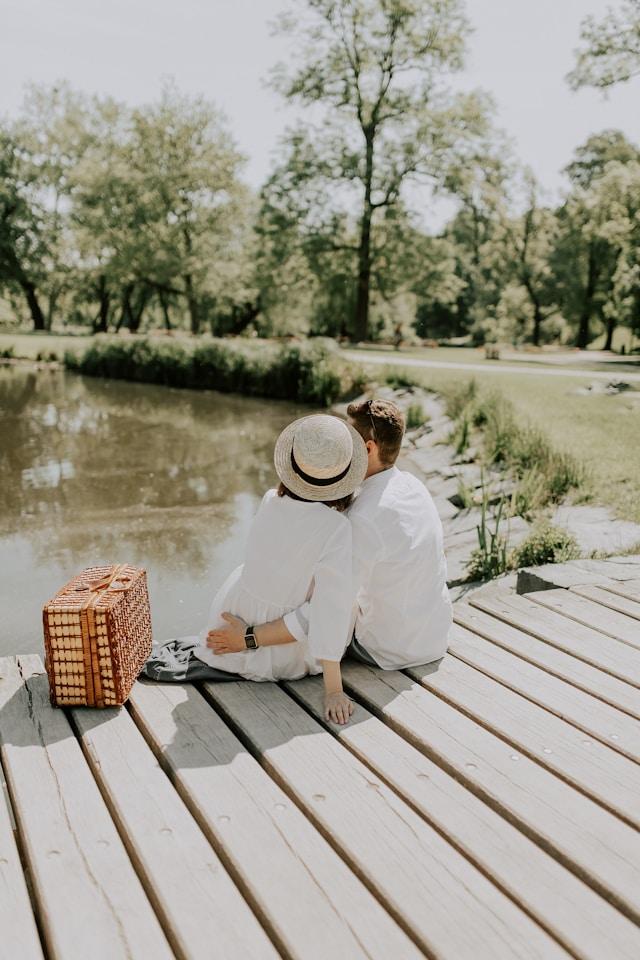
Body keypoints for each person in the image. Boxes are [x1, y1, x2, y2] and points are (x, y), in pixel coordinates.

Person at [139, 413, 368, 724]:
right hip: (282, 658)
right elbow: (330, 610)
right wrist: (334, 689)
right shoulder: (336, 528)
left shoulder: (270, 499)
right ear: (344, 475)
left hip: (235, 621)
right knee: (347, 599)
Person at [209, 398, 452, 673]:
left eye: (346, 440)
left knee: (313, 589)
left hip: (388, 649)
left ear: (367, 449)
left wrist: (248, 638)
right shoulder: (413, 486)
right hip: (433, 637)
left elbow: (325, 611)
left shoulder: (362, 519)